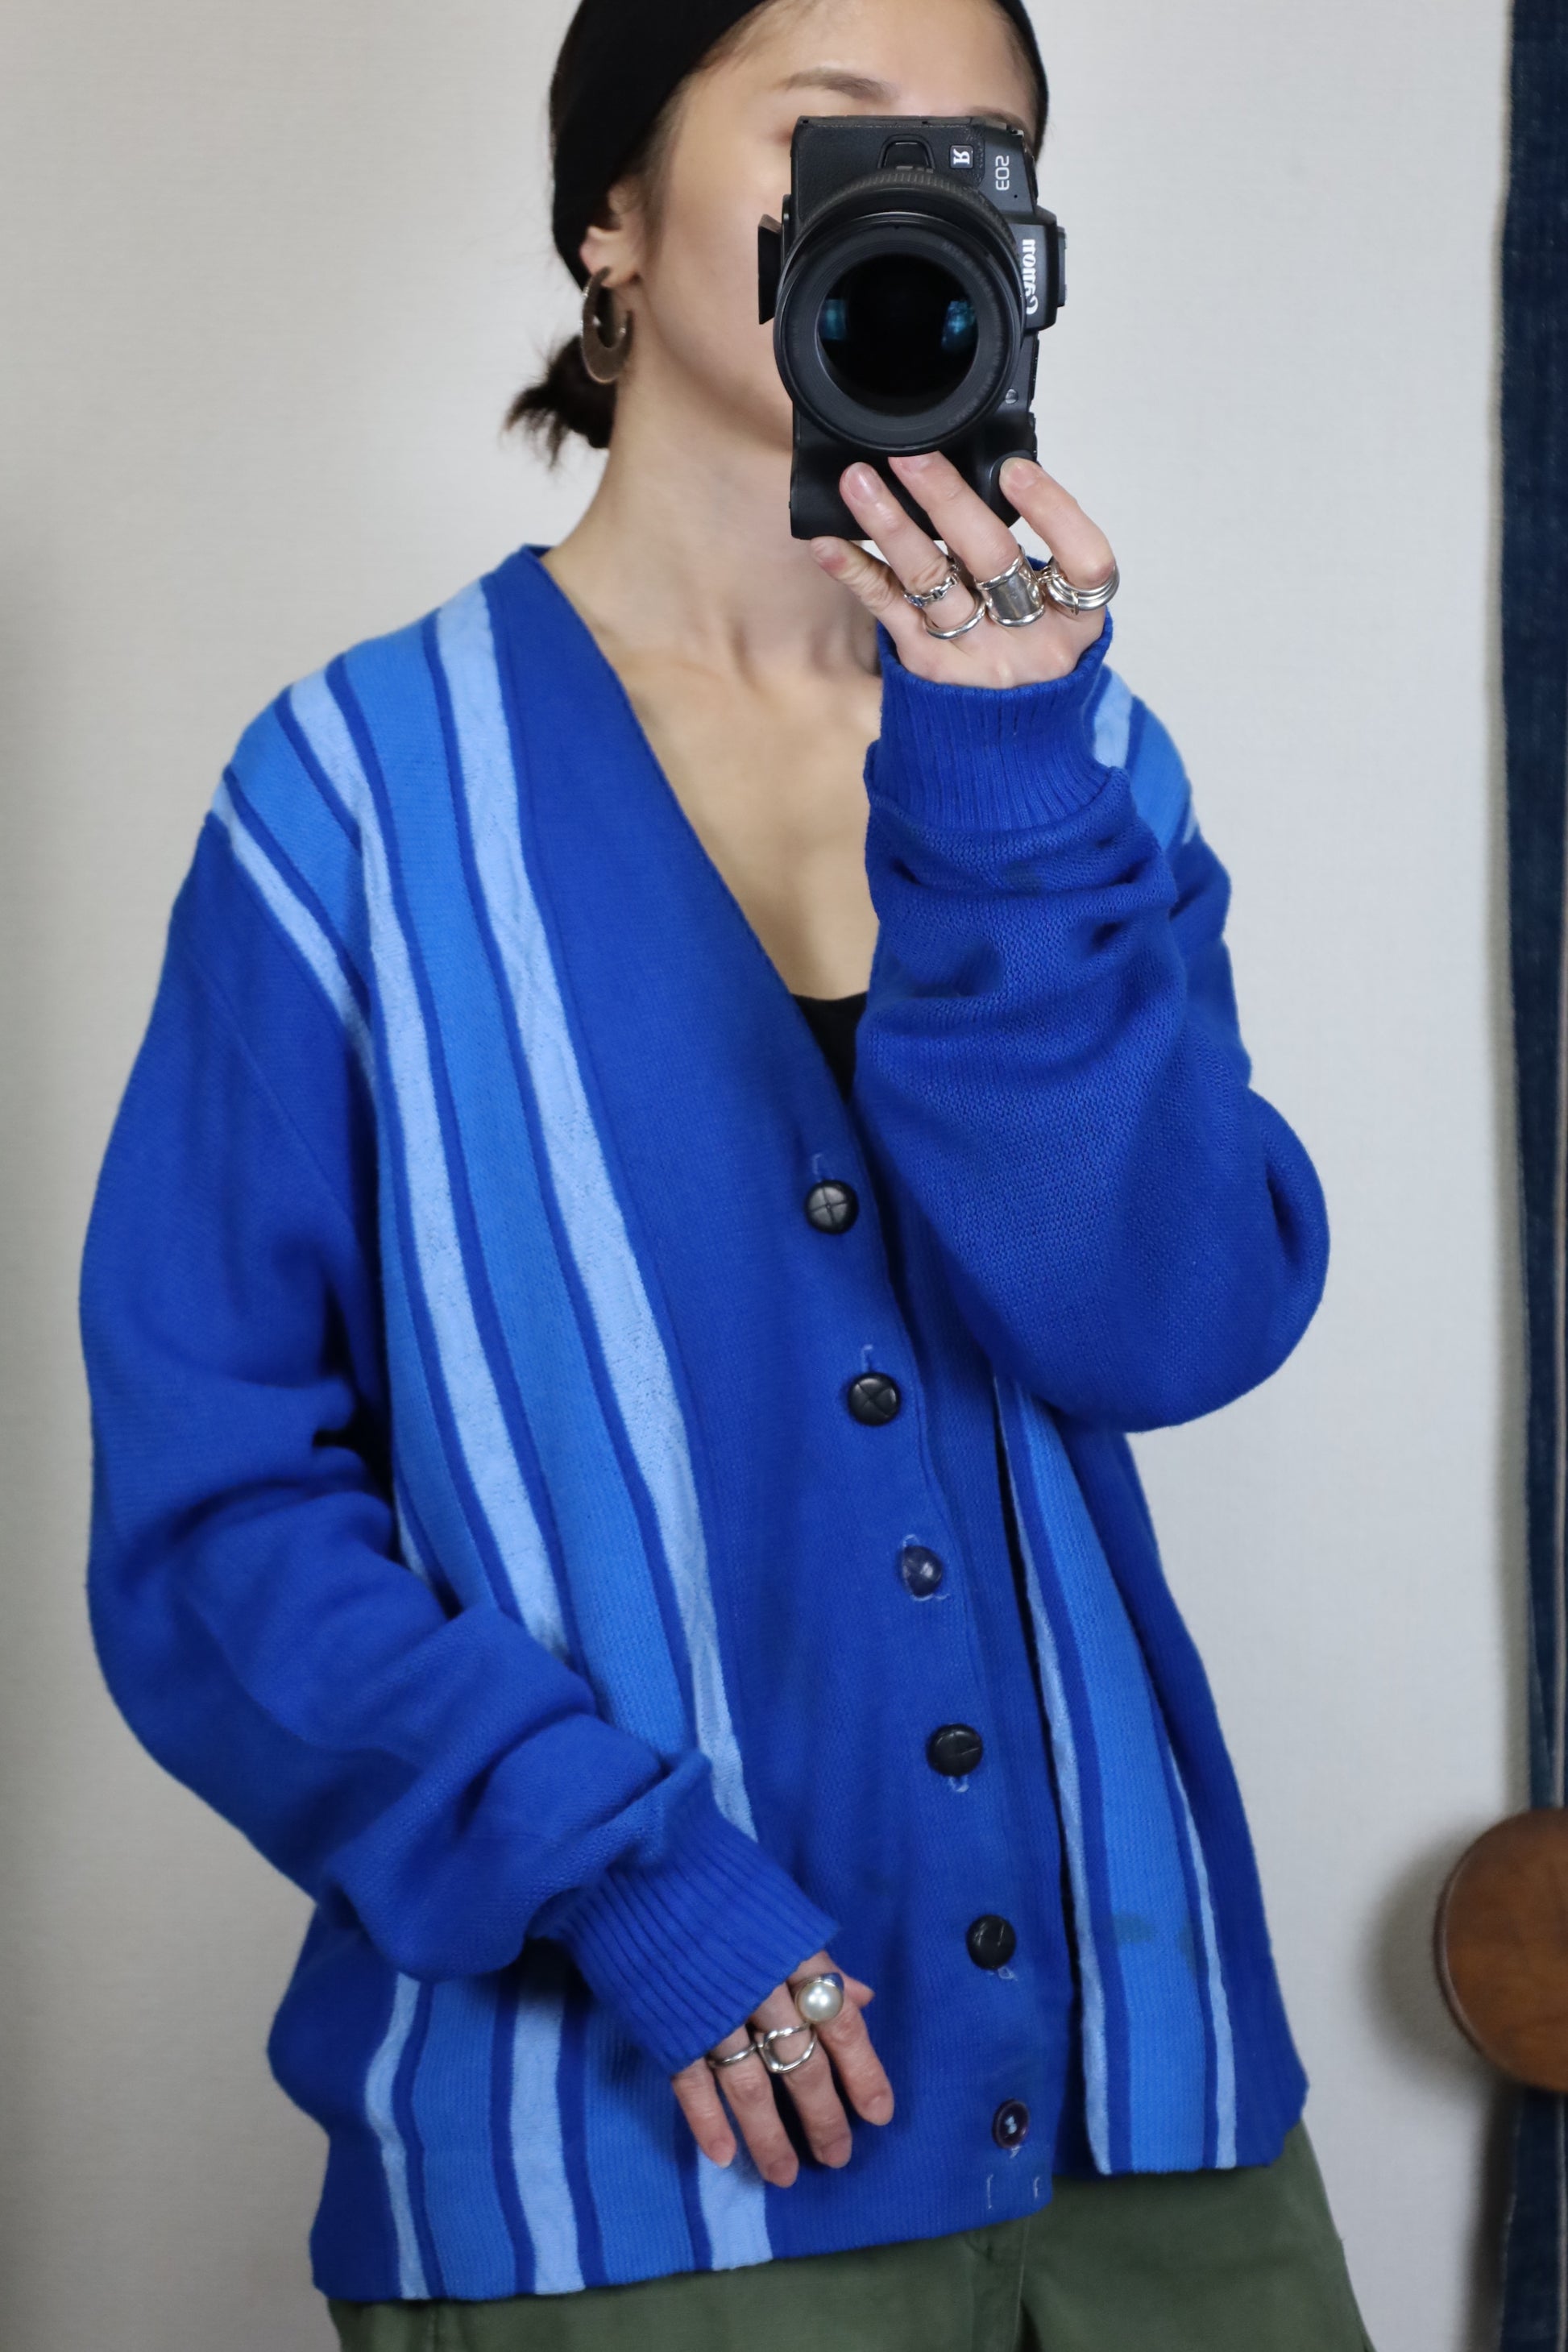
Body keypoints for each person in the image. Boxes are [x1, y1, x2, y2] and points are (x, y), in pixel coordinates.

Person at [79, 0, 1373, 2345]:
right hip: (624, 2173)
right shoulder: (352, 796)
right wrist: (624, 1877)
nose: (907, 196)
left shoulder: (1077, 760)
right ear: (614, 212)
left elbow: (1162, 1326)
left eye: (975, 153)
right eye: (830, 135)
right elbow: (212, 1515)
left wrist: (1004, 783)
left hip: (1150, 2124)